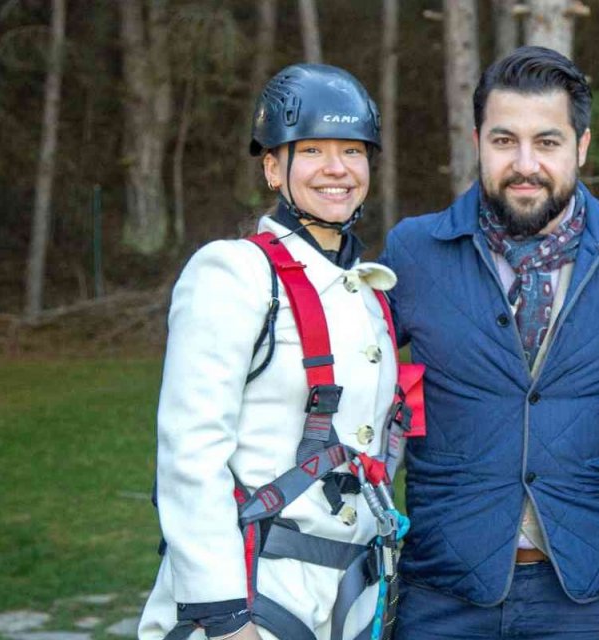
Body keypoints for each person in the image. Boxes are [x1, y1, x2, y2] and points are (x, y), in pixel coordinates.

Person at [378, 46, 599, 640]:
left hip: (586, 592)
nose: (525, 163)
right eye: (505, 141)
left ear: (582, 147)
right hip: (444, 589)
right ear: (478, 141)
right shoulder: (415, 253)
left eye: (549, 142)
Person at [139, 63, 420, 640]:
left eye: (353, 151)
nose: (337, 169)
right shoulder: (235, 273)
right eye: (311, 149)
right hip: (252, 596)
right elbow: (190, 451)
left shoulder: (370, 293)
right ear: (272, 167)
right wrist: (222, 615)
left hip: (350, 599)